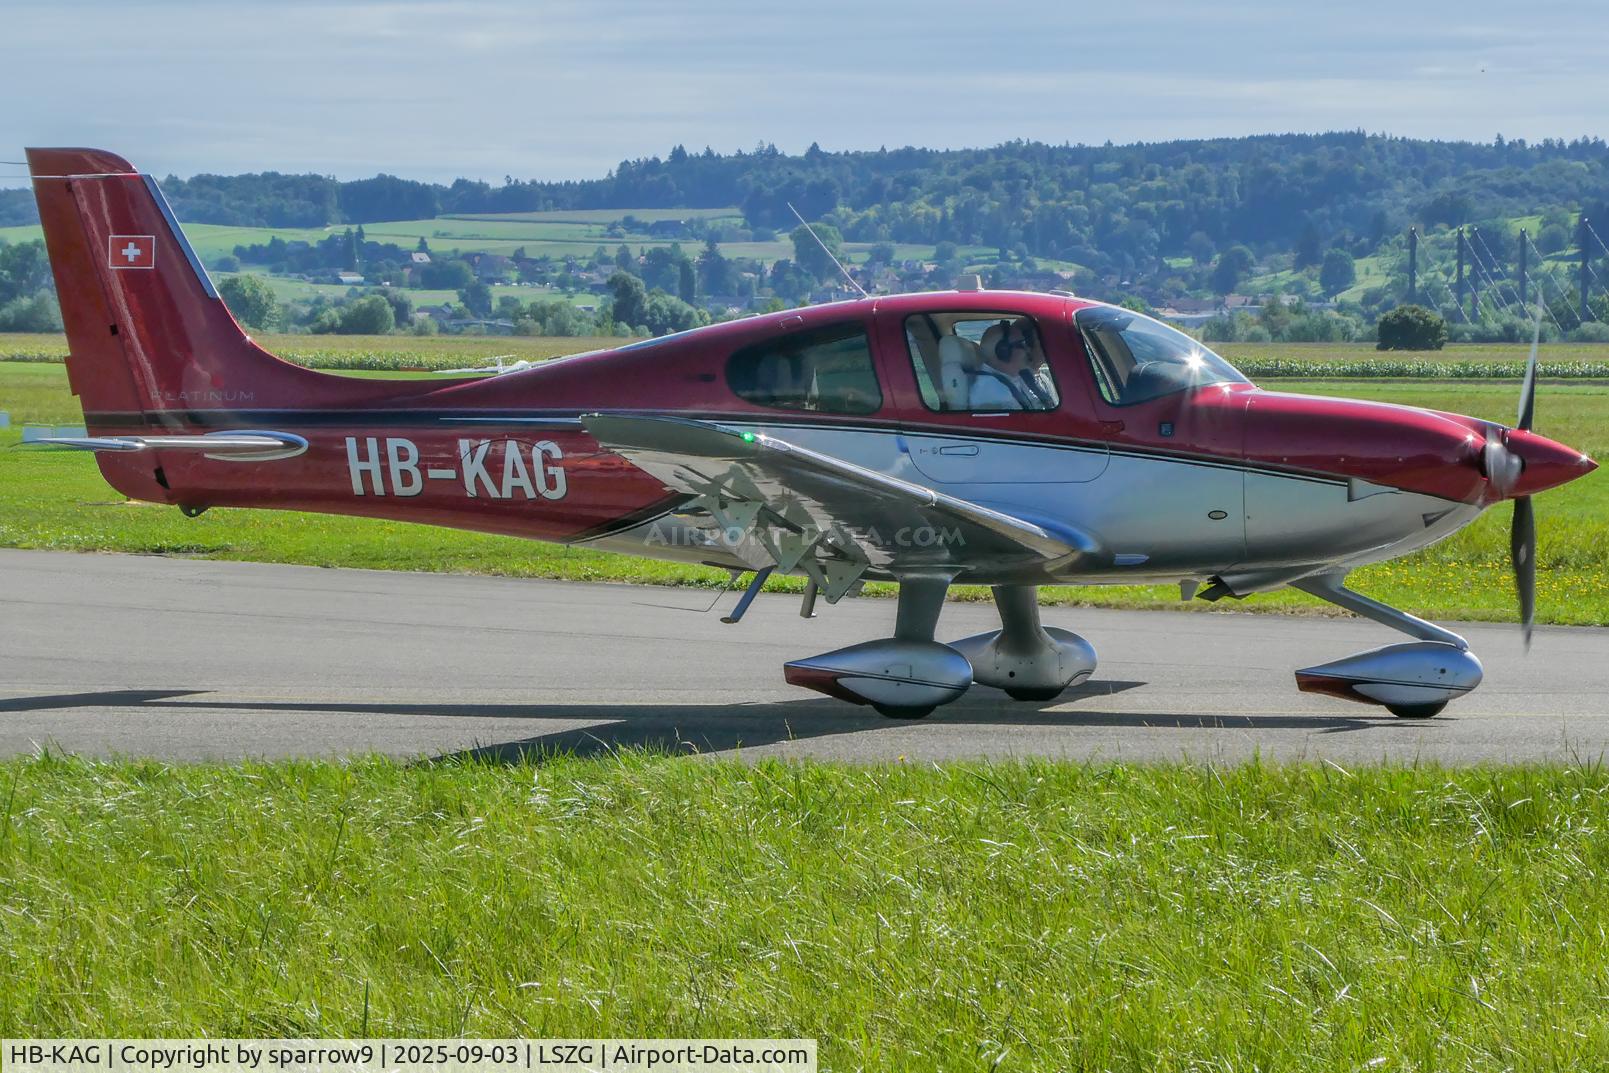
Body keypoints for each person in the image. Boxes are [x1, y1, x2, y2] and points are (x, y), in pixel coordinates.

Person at [971, 319, 1053, 410]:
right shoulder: (992, 391)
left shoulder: (1016, 378)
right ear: (1004, 351)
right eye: (1022, 344)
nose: (1028, 350)